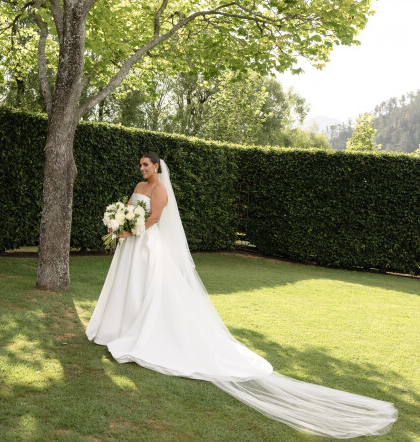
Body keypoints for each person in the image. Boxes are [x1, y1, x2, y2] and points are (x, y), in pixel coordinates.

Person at [86, 153, 397, 438]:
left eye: (146, 165)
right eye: (140, 165)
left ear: (156, 167)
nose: (142, 169)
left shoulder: (161, 190)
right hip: (131, 242)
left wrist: (129, 229)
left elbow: (153, 219)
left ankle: (142, 329)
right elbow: (130, 207)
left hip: (147, 243)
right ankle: (120, 326)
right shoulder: (139, 186)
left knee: (145, 288)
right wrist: (119, 222)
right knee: (128, 285)